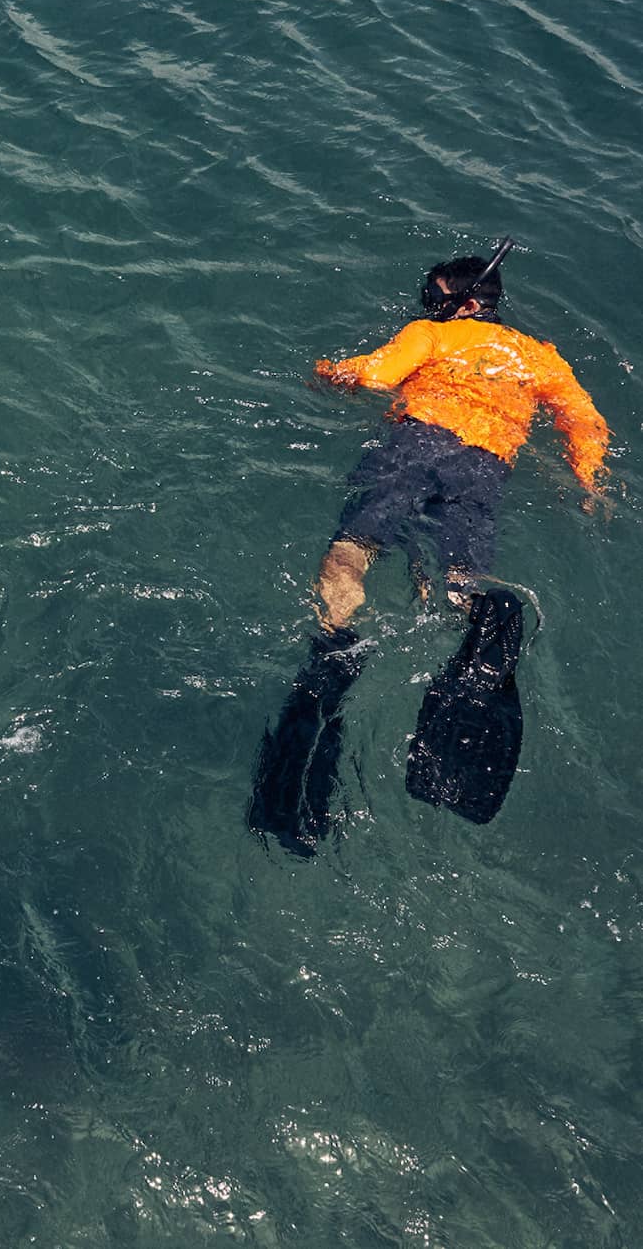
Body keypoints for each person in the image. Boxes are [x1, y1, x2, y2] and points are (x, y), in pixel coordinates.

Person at [250, 243, 610, 851]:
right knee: (456, 580)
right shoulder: (541, 358)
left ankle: (336, 642)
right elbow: (584, 422)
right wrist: (589, 479)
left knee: (353, 551)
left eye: (437, 297)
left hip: (416, 444)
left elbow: (374, 376)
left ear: (465, 303)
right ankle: (481, 617)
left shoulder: (432, 336)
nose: (430, 305)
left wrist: (327, 371)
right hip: (487, 466)